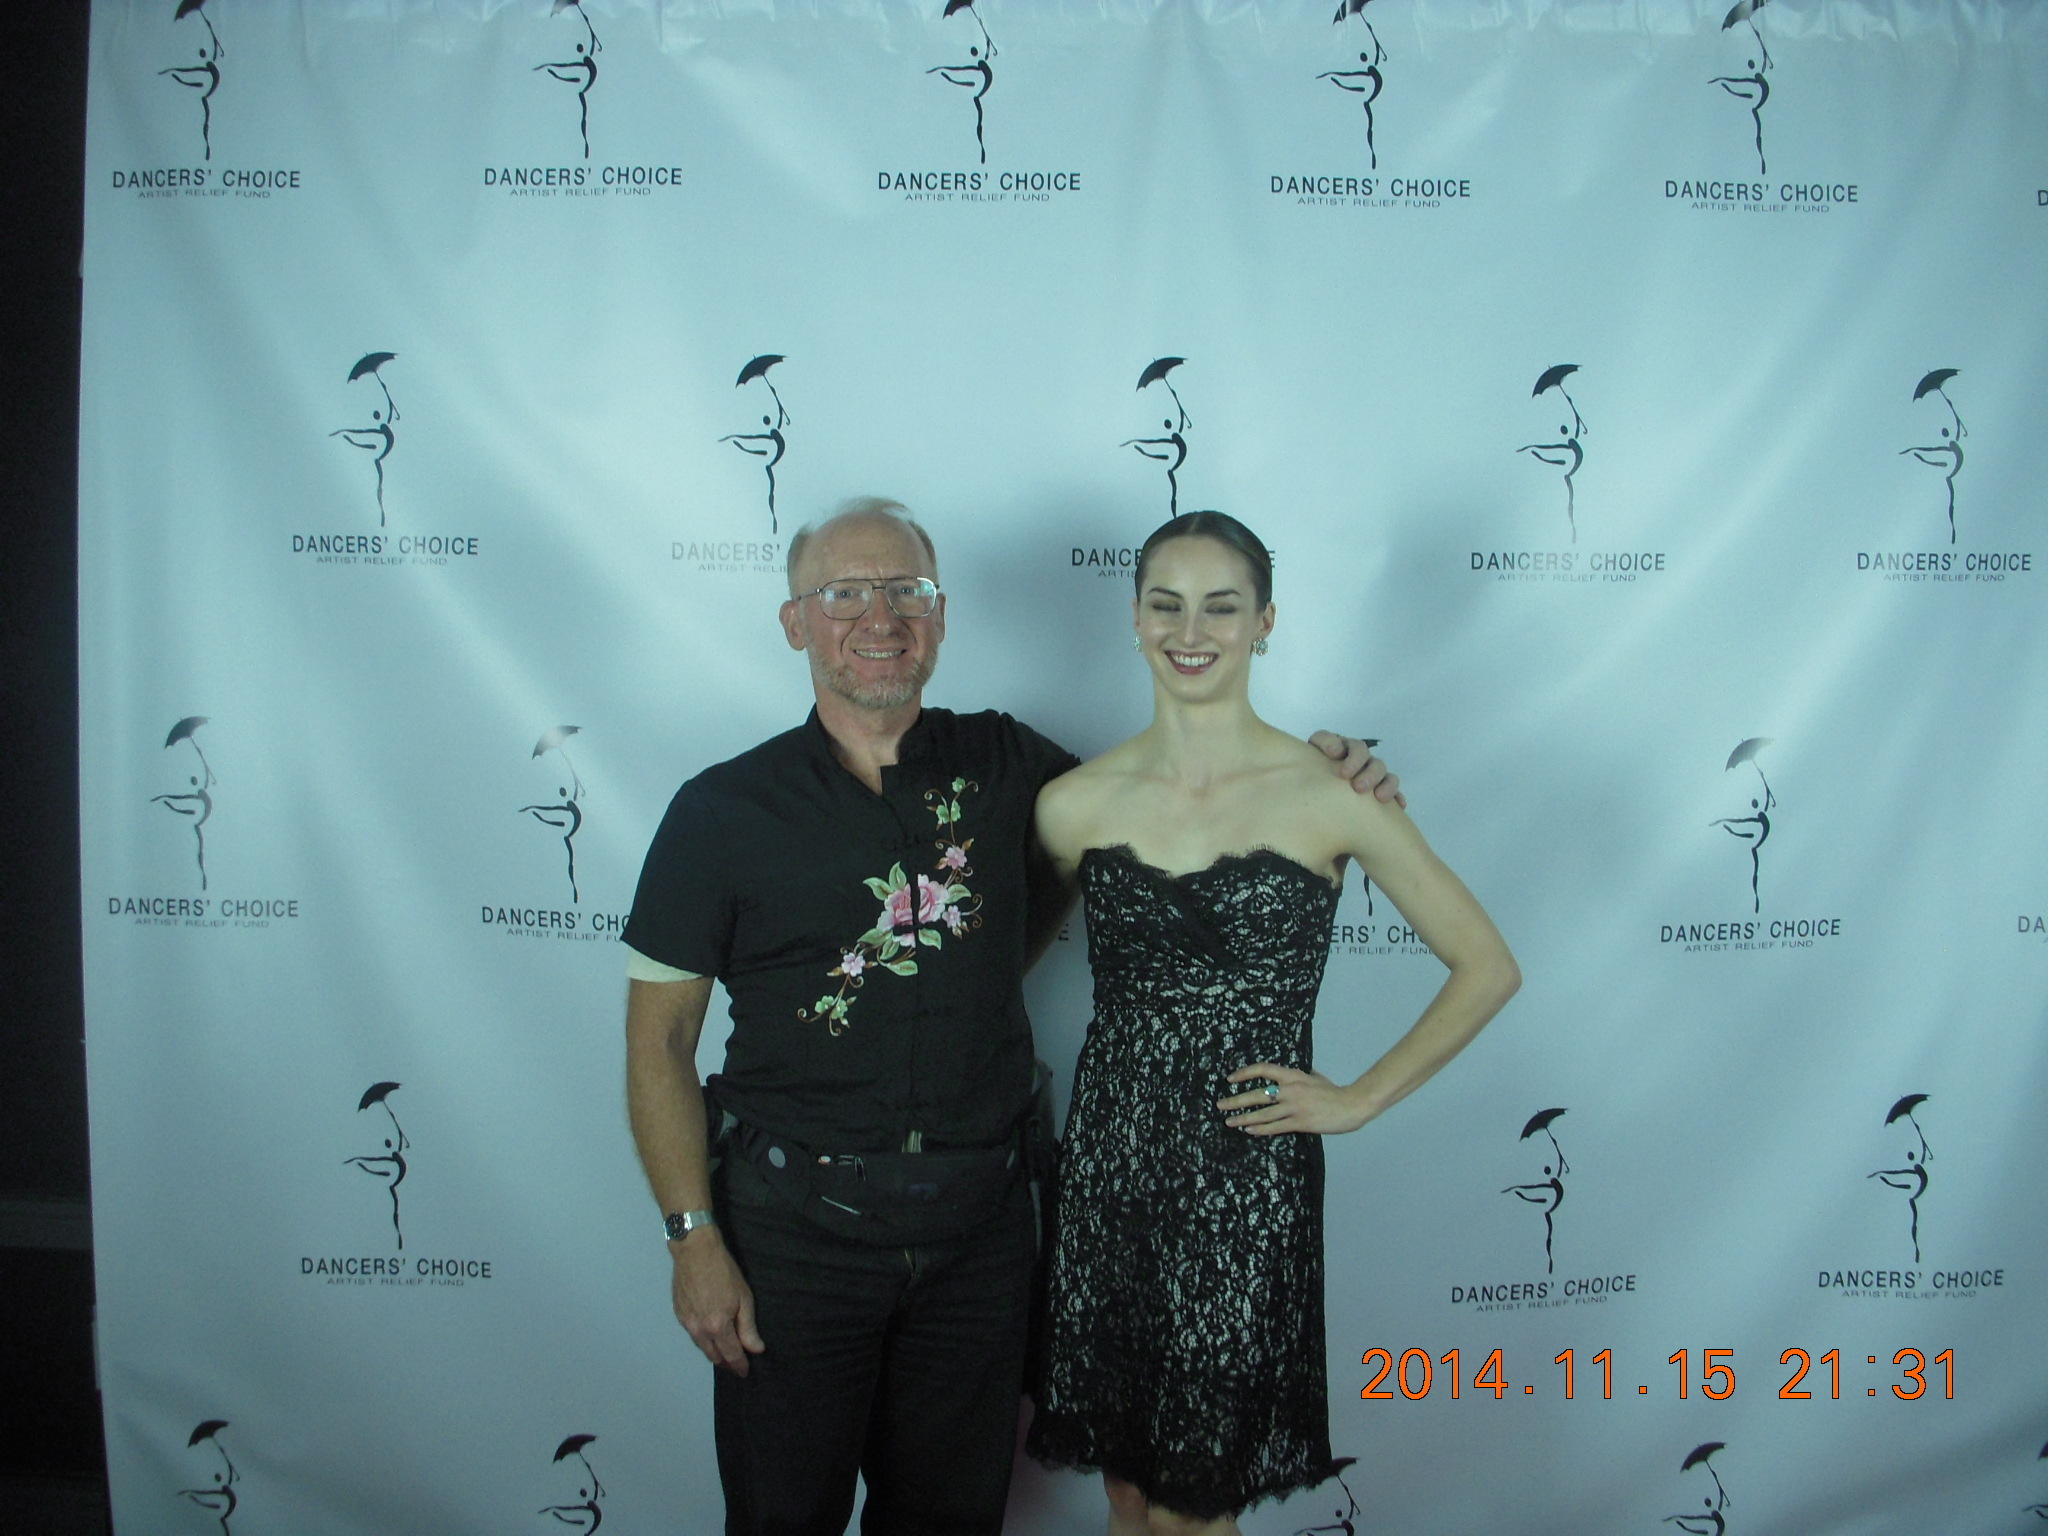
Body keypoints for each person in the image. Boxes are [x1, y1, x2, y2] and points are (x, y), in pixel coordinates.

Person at [620, 498, 1400, 1536]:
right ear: (794, 621)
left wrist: (1330, 772)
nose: (880, 618)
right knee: (781, 1521)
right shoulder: (720, 810)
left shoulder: (1008, 765)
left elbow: (1180, 797)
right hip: (792, 1243)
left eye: (908, 591)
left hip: (979, 1245)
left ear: (939, 618)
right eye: (844, 594)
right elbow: (659, 1042)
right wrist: (692, 1240)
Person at [1026, 511, 1520, 1535]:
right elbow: (991, 974)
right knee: (1128, 1495)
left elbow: (1486, 966)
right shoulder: (1071, 804)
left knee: (1190, 1508)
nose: (1189, 630)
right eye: (1166, 604)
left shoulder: (1333, 792)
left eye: (1220, 606)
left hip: (1245, 1183)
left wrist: (1358, 1099)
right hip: (1111, 1176)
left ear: (1264, 622)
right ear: (1134, 618)